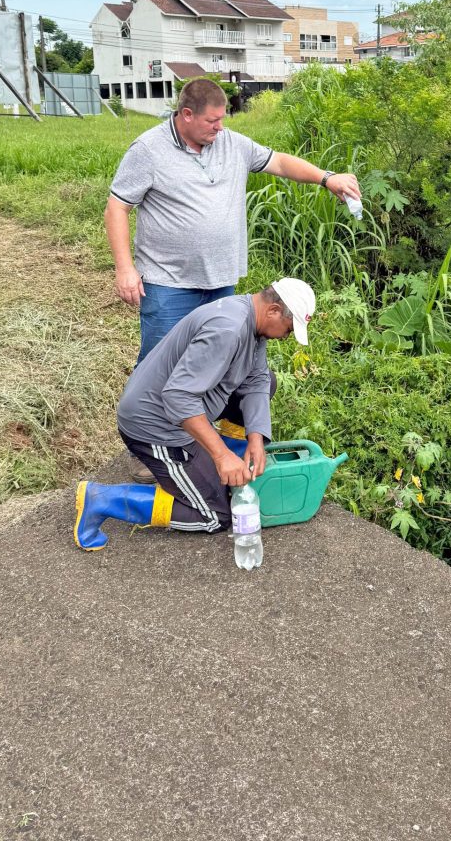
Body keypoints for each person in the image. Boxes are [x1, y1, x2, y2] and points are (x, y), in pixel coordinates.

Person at [105, 77, 359, 362]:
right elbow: (117, 207)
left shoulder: (232, 144)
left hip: (221, 281)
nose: (220, 127)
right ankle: (144, 409)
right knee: (160, 363)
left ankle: (201, 409)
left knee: (211, 361)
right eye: (212, 120)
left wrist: (326, 178)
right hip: (169, 283)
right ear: (186, 115)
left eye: (222, 119)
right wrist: (124, 268)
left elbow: (280, 162)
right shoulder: (148, 150)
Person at [73, 278, 315, 550]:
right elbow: (178, 398)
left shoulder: (252, 320)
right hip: (155, 425)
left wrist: (256, 439)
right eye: (288, 328)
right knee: (215, 515)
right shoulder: (228, 329)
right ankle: (102, 499)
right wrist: (221, 457)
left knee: (268, 381)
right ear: (273, 311)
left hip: (185, 403)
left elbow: (257, 380)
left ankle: (219, 457)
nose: (286, 336)